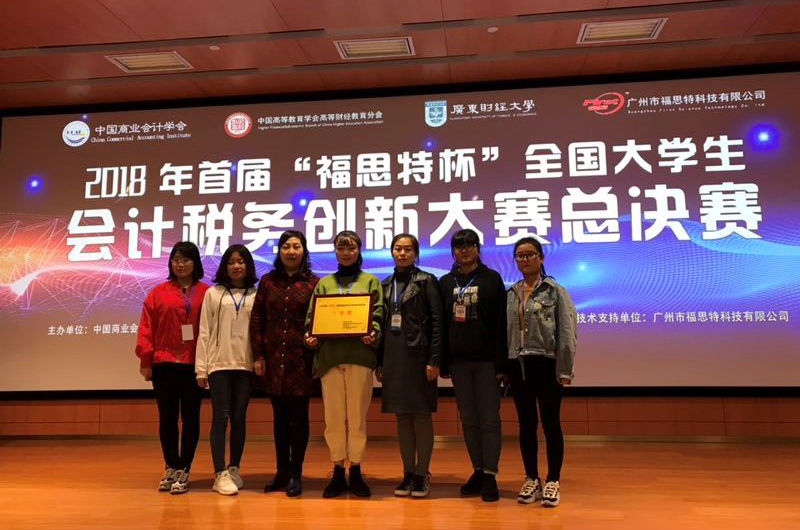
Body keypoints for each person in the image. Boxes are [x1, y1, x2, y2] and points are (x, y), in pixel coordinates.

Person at [304, 230, 383, 498]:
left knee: (357, 419)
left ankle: (356, 470)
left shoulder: (371, 281)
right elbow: (312, 318)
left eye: (351, 248)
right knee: (334, 419)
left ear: (359, 251)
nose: (346, 252)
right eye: (341, 248)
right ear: (335, 251)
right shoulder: (324, 284)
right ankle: (338, 469)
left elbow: (378, 315)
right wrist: (310, 336)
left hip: (360, 357)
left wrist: (373, 332)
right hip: (330, 359)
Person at [506, 237, 576, 508]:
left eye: (530, 254)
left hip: (546, 364)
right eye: (520, 255)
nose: (524, 259)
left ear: (541, 257)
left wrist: (565, 368)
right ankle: (531, 478)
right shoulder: (511, 293)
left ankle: (553, 480)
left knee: (550, 424)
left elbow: (567, 332)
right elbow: (505, 333)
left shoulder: (555, 291)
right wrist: (504, 367)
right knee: (526, 425)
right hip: (518, 366)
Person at [439, 228, 507, 502]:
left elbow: (502, 323)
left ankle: (490, 474)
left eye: (469, 245)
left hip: (487, 361)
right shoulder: (445, 282)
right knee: (468, 420)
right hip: (458, 362)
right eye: (459, 246)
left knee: (489, 420)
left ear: (478, 249)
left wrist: (502, 364)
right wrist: (443, 360)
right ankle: (477, 470)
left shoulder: (492, 279)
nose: (464, 250)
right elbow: (441, 324)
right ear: (453, 251)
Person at [135, 241, 209, 494]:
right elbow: (146, 328)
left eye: (186, 259)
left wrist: (207, 365)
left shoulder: (207, 293)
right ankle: (170, 465)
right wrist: (146, 360)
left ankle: (184, 468)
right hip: (163, 364)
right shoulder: (157, 292)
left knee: (190, 418)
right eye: (176, 259)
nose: (180, 264)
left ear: (195, 263)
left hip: (193, 365)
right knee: (167, 418)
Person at [250, 231, 319, 497]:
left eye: (296, 246)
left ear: (304, 251)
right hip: (273, 359)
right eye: (286, 246)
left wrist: (317, 352)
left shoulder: (314, 283)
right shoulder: (268, 281)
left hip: (301, 359)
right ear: (279, 251)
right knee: (279, 419)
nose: (291, 251)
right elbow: (257, 319)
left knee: (299, 418)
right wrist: (258, 355)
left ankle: (295, 473)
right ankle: (281, 472)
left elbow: (319, 322)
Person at [377, 233, 443, 498]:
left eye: (407, 249)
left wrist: (434, 359)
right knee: (402, 416)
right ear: (392, 252)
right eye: (397, 249)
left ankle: (422, 473)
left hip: (419, 356)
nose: (402, 253)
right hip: (393, 356)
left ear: (416, 253)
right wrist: (380, 362)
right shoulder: (385, 284)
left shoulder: (426, 281)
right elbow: (380, 325)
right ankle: (408, 474)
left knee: (421, 415)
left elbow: (437, 322)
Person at [195, 244, 258, 495]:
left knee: (239, 418)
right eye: (231, 262)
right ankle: (219, 472)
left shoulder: (256, 294)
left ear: (248, 265)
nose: (236, 266)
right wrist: (201, 369)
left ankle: (234, 468)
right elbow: (204, 331)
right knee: (220, 417)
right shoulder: (213, 293)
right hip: (219, 364)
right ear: (225, 266)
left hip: (245, 364)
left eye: (241, 261)